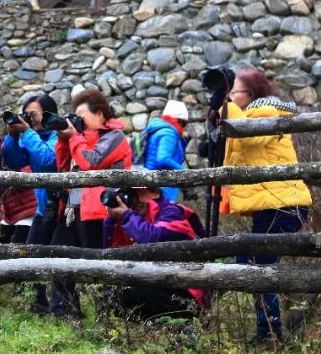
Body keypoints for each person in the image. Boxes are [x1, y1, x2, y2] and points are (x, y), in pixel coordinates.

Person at [223, 67, 312, 343]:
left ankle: (272, 330)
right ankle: (298, 296)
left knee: (255, 265)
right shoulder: (249, 114)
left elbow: (249, 136)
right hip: (272, 204)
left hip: (283, 204)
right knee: (253, 263)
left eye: (233, 91)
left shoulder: (266, 113)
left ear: (251, 94)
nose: (229, 96)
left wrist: (225, 108)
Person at [51, 89, 132, 319]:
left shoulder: (115, 137)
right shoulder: (82, 139)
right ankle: (66, 312)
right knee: (59, 257)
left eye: (82, 115)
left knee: (99, 267)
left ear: (99, 114)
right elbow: (63, 164)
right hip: (73, 208)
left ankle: (107, 317)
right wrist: (63, 139)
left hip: (99, 212)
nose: (78, 120)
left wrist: (75, 137)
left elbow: (90, 161)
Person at [103, 176, 210, 319]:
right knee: (113, 293)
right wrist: (112, 221)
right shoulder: (136, 218)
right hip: (160, 282)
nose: (133, 200)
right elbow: (112, 252)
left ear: (155, 192)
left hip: (186, 291)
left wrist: (127, 216)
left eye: (138, 193)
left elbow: (154, 239)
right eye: (129, 194)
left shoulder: (171, 212)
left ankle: (184, 330)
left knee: (136, 294)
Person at [0, 93, 60, 314]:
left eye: (33, 113)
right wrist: (13, 136)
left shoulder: (58, 135)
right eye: (26, 114)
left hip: (62, 209)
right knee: (31, 257)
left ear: (48, 113)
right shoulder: (32, 136)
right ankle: (39, 305)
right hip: (43, 208)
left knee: (59, 260)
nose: (29, 118)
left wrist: (26, 132)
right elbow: (15, 161)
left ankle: (62, 307)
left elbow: (48, 160)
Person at [141, 99, 189, 203]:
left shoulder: (158, 129)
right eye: (184, 124)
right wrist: (184, 171)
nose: (183, 128)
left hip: (153, 184)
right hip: (162, 188)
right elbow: (163, 158)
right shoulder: (169, 132)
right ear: (179, 120)